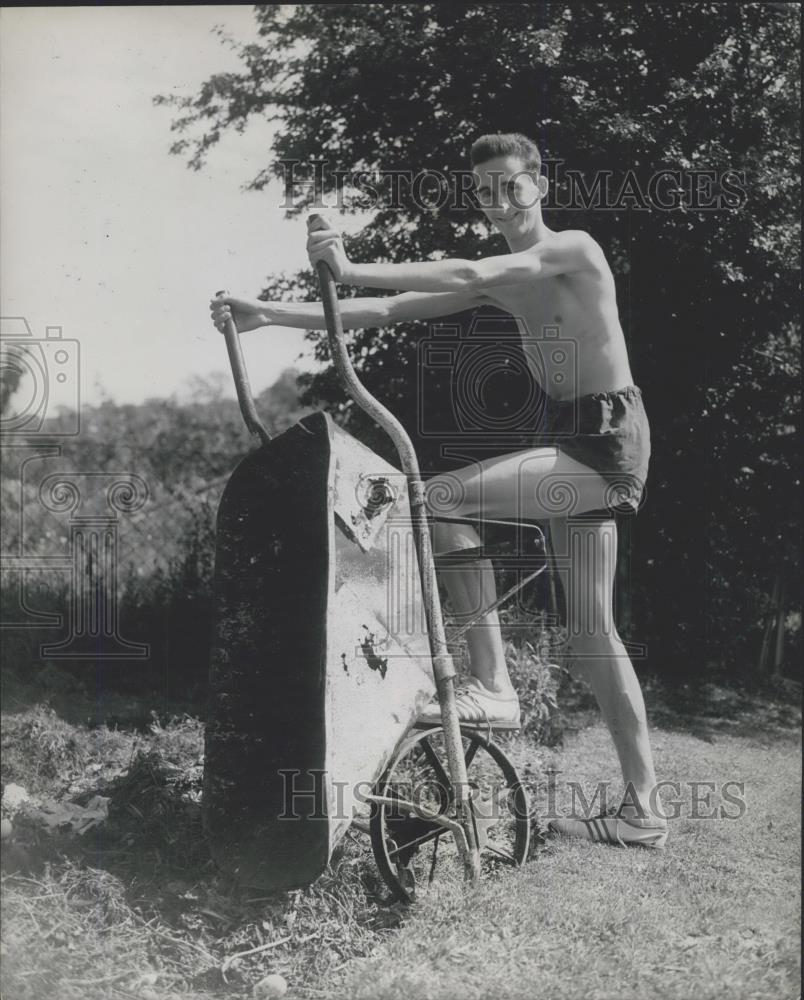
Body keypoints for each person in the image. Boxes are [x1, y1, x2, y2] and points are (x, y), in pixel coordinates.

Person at [210, 133, 667, 848]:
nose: (499, 202)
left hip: (602, 440)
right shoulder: (504, 277)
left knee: (439, 500)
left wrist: (352, 263)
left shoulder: (572, 248)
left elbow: (462, 270)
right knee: (592, 634)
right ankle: (645, 811)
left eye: (511, 186)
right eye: (485, 192)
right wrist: (269, 313)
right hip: (576, 442)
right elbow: (386, 314)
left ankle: (493, 683)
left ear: (540, 185)